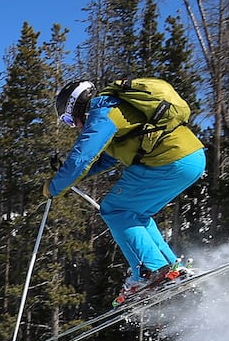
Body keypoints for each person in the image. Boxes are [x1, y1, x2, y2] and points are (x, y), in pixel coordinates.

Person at [43, 79, 207, 305]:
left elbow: (82, 158)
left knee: (115, 210)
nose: (75, 125)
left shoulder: (102, 112)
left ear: (77, 106)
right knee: (136, 215)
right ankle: (170, 268)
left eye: (70, 119)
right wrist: (67, 175)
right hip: (192, 158)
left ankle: (152, 271)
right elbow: (102, 160)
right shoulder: (119, 109)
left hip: (169, 160)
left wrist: (53, 186)